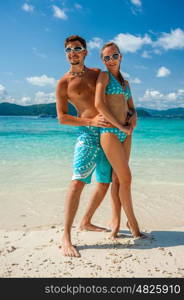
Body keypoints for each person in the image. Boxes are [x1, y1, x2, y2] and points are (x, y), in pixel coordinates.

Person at [56, 35, 112, 257]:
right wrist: (89, 121)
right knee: (77, 183)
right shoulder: (63, 83)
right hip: (87, 134)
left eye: (77, 48)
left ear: (86, 51)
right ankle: (66, 237)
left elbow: (115, 95)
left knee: (105, 181)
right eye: (69, 50)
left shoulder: (97, 74)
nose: (73, 52)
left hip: (108, 132)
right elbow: (62, 118)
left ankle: (86, 221)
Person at [95, 42, 143, 238]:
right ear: (103, 61)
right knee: (127, 178)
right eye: (106, 58)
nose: (111, 60)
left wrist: (133, 118)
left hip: (126, 132)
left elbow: (131, 106)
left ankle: (115, 222)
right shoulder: (104, 76)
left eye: (114, 56)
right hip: (110, 132)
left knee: (118, 179)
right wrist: (119, 126)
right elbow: (99, 104)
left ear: (121, 57)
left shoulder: (125, 83)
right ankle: (133, 223)